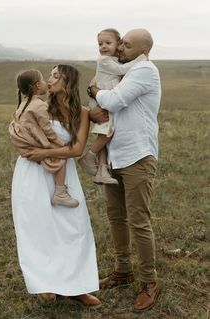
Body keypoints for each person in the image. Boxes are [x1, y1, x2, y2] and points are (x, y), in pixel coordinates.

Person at [10, 64, 100, 307]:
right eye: (49, 75)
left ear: (68, 82)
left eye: (56, 76)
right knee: (39, 228)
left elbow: (78, 149)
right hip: (33, 174)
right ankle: (44, 283)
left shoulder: (80, 113)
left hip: (64, 175)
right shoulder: (39, 107)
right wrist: (35, 152)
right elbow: (21, 136)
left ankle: (77, 287)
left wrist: (42, 151)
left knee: (73, 228)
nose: (50, 80)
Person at [88, 28, 161, 311]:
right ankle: (122, 271)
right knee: (117, 217)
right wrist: (94, 91)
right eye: (121, 43)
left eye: (126, 45)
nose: (119, 48)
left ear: (143, 51)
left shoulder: (144, 71)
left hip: (138, 156)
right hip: (116, 156)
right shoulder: (124, 70)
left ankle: (149, 283)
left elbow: (114, 101)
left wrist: (94, 90)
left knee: (139, 221)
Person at [78, 28, 146, 185]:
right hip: (103, 100)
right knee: (107, 133)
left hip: (104, 97)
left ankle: (102, 170)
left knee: (106, 135)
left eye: (108, 43)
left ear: (118, 44)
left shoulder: (113, 59)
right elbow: (122, 70)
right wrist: (141, 59)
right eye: (100, 43)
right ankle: (89, 156)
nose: (103, 46)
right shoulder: (104, 60)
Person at [9, 69, 79, 208]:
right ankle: (60, 193)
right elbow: (46, 128)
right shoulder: (40, 105)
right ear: (37, 86)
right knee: (61, 154)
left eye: (55, 76)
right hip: (36, 140)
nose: (47, 81)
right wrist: (59, 143)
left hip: (28, 141)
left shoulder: (24, 103)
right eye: (44, 79)